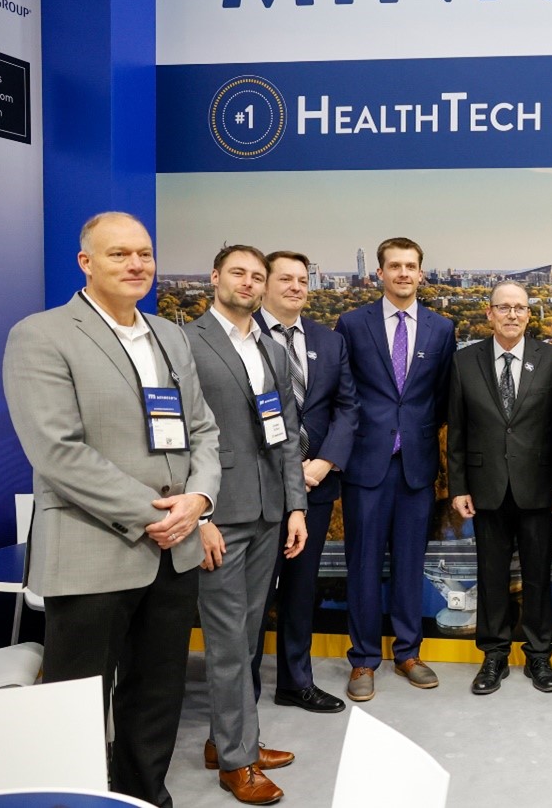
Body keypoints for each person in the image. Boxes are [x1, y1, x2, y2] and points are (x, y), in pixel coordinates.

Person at [3, 212, 221, 808]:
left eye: (144, 254)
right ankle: (71, 800)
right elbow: (57, 451)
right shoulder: (41, 334)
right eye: (119, 254)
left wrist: (199, 501)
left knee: (156, 698)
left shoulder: (169, 335)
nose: (136, 265)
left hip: (172, 551)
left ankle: (145, 797)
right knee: (76, 704)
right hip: (92, 547)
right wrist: (156, 512)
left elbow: (202, 429)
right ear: (86, 263)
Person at [186, 245, 309, 805]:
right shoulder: (184, 342)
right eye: (238, 272)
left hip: (266, 514)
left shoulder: (269, 348)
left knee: (249, 633)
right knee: (228, 639)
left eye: (257, 277)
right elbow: (179, 437)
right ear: (215, 278)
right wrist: (200, 512)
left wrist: (295, 506)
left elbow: (285, 433)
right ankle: (237, 761)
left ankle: (228, 738)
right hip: (218, 515)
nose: (248, 283)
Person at [335, 237, 456, 702]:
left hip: (417, 465)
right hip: (366, 463)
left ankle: (408, 652)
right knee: (362, 565)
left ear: (421, 273)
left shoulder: (442, 328)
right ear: (380, 273)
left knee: (409, 565)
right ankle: (363, 660)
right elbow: (342, 393)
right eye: (394, 266)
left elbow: (442, 397)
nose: (403, 273)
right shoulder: (351, 323)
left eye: (411, 266)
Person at [252, 250, 359, 715]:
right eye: (286, 279)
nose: (296, 287)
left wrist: (324, 462)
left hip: (314, 486)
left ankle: (296, 681)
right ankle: (243, 692)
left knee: (300, 590)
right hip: (255, 488)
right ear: (264, 284)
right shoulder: (240, 335)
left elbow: (347, 408)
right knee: (252, 597)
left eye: (303, 279)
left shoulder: (328, 341)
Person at [448, 281, 552, 695]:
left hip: (539, 487)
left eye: (520, 308)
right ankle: (494, 656)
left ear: (529, 315)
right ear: (490, 314)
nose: (512, 315)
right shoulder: (464, 362)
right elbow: (457, 431)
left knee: (538, 577)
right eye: (504, 308)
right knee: (491, 575)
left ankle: (539, 657)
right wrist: (458, 486)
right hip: (486, 488)